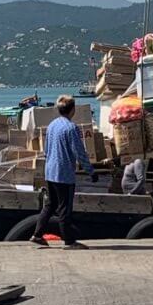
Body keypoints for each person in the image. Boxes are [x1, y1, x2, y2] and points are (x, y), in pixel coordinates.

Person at [31, 95, 95, 249]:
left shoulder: (52, 125)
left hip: (50, 171)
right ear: (72, 110)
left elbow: (46, 149)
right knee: (64, 208)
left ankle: (37, 234)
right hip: (64, 173)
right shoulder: (71, 128)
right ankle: (69, 241)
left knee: (51, 205)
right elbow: (79, 152)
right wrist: (90, 171)